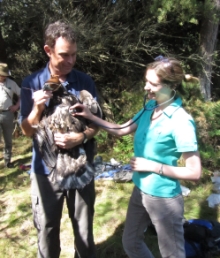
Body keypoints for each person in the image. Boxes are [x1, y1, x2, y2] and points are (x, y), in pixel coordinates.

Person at [72, 56, 202, 258]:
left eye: (153, 83)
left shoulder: (181, 121)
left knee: (172, 254)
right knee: (131, 243)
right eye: (146, 81)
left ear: (170, 85)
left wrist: (152, 166)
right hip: (140, 190)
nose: (146, 87)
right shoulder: (150, 107)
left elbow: (194, 172)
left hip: (164, 198)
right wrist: (90, 116)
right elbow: (122, 129)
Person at [20, 21, 99, 258]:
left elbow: (97, 124)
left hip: (80, 168)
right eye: (64, 55)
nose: (71, 61)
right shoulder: (31, 83)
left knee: (84, 232)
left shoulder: (84, 82)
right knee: (46, 230)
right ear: (48, 50)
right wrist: (36, 108)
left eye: (74, 55)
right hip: (45, 171)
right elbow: (26, 130)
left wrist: (81, 137)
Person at [0, 63, 20, 168]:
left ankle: (7, 162)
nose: (3, 76)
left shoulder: (11, 83)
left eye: (4, 75)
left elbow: (21, 95)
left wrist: (16, 106)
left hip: (8, 114)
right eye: (1, 74)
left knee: (8, 139)